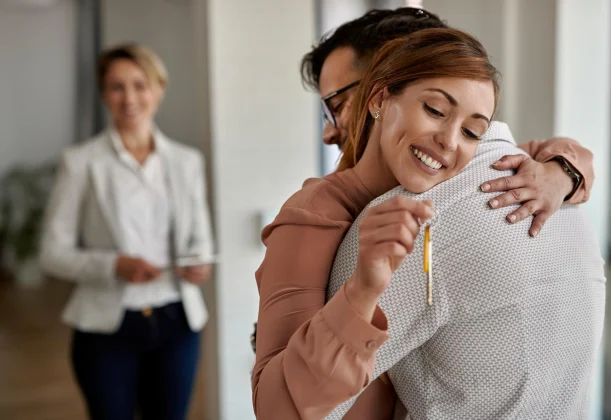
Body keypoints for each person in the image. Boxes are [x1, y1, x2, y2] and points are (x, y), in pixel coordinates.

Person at [252, 8, 594, 420]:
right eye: (435, 109)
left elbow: (561, 155)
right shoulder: (315, 215)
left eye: (337, 103)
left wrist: (563, 174)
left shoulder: (490, 177)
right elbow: (277, 404)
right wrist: (361, 293)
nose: (329, 130)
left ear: (376, 89)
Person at [39, 44, 215, 420]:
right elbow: (52, 252)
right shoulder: (80, 163)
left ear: (159, 89)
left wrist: (199, 264)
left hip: (177, 323)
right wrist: (114, 265)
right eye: (117, 87)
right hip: (107, 327)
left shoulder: (187, 162)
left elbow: (200, 240)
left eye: (140, 84)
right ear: (104, 94)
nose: (129, 97)